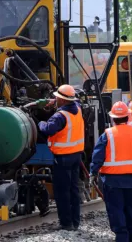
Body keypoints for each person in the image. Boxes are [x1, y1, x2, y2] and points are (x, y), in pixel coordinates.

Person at [91, 101, 132, 242]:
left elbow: (98, 156)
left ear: (113, 118)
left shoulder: (108, 134)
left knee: (116, 211)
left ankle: (122, 238)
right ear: (128, 117)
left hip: (113, 182)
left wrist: (93, 173)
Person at [37, 84, 85, 231]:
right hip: (76, 156)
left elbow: (48, 129)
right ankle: (75, 222)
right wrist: (54, 103)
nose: (55, 99)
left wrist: (40, 123)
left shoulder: (60, 116)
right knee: (73, 190)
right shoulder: (77, 109)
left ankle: (66, 223)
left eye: (57, 98)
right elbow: (74, 102)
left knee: (62, 192)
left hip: (63, 158)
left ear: (63, 101)